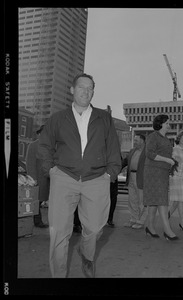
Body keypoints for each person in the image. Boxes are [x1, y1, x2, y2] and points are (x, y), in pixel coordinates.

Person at [38, 73, 121, 278]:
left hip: (97, 179)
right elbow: (45, 145)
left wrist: (110, 174)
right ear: (72, 90)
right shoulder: (58, 118)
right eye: (82, 87)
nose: (86, 91)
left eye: (90, 88)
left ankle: (86, 254)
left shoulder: (104, 118)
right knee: (58, 233)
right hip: (64, 177)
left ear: (93, 91)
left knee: (95, 229)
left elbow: (113, 148)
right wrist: (51, 170)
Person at [143, 114, 178, 241]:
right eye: (167, 123)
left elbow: (165, 154)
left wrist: (170, 162)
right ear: (161, 124)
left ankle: (150, 227)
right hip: (153, 172)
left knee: (154, 200)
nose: (169, 125)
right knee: (161, 199)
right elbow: (149, 153)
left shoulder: (166, 139)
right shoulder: (153, 136)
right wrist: (168, 160)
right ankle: (167, 230)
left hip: (162, 172)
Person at [25, 125, 49, 228]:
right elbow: (30, 163)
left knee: (41, 200)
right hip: (38, 178)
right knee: (36, 200)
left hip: (48, 179)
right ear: (39, 134)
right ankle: (37, 221)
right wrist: (33, 178)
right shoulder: (33, 145)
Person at [122, 134, 147, 229]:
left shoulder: (147, 152)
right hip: (131, 177)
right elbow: (124, 162)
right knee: (132, 200)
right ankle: (133, 219)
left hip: (141, 177)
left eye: (136, 140)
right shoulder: (132, 151)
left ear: (142, 141)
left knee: (141, 200)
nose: (134, 142)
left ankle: (141, 221)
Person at [168, 131, 183, 231]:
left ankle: (167, 215)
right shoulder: (174, 149)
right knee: (180, 199)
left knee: (178, 200)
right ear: (179, 139)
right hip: (176, 176)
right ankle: (181, 222)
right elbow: (171, 163)